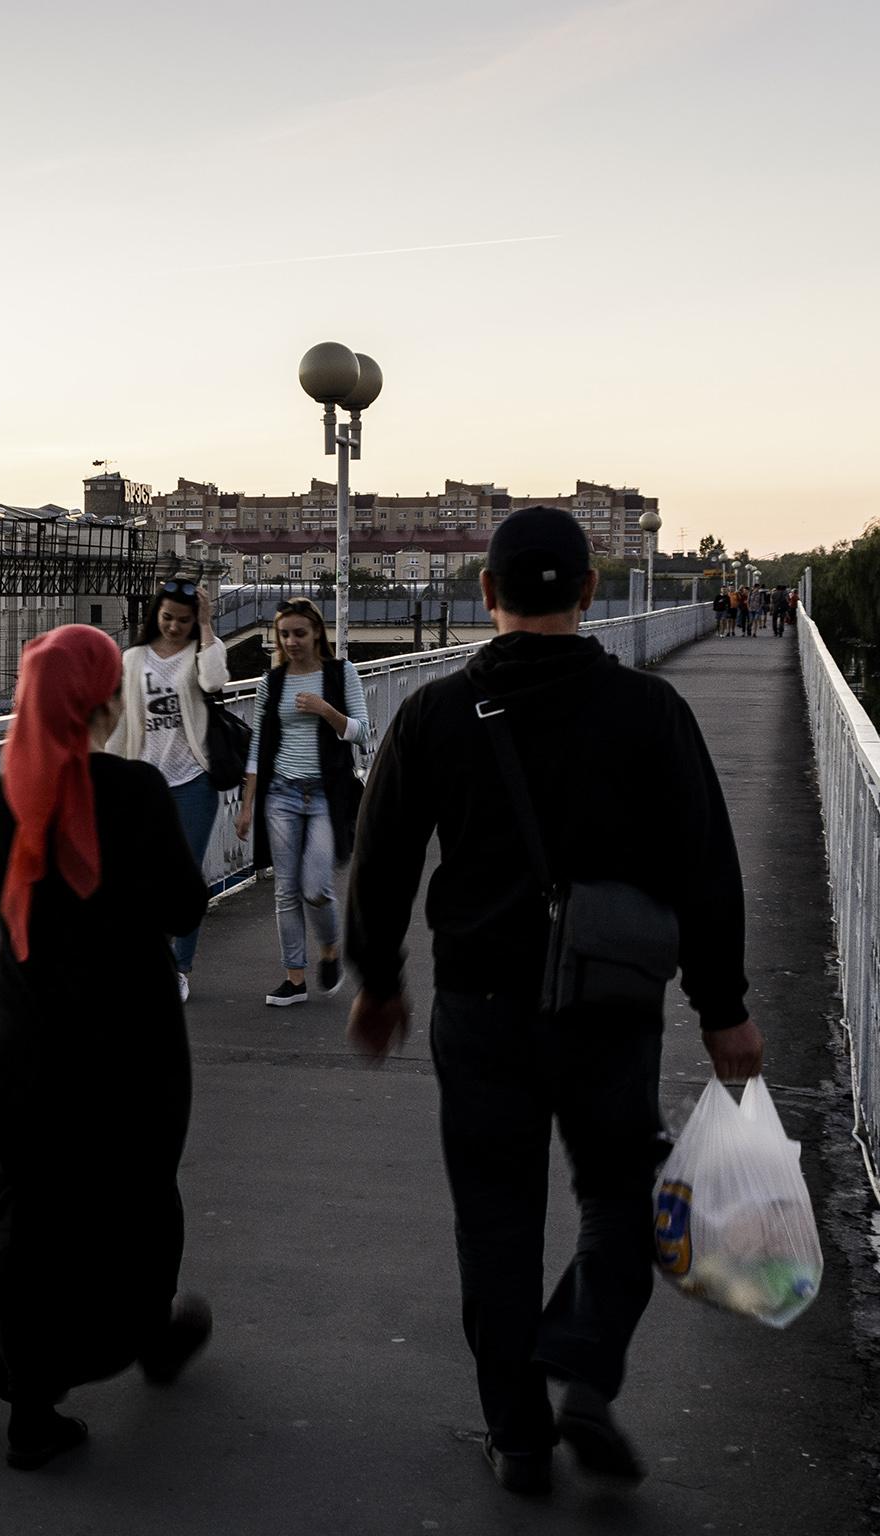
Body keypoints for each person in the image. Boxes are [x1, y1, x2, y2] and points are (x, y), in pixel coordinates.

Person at [344, 506, 763, 1497]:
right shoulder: (648, 714)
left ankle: (516, 1438)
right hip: (607, 1007)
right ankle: (577, 1354)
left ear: (484, 595)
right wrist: (722, 1007)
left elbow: (382, 861)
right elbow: (706, 869)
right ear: (584, 595)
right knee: (625, 1186)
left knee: (492, 1220)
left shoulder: (435, 715)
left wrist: (375, 980)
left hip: (477, 1007)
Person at [0, 624, 212, 1472]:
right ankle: (148, 1335)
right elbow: (184, 909)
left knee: (32, 1209)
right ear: (106, 699)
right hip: (133, 1036)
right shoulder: (137, 790)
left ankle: (33, 1410)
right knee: (140, 1192)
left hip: (29, 1037)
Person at [231, 598, 369, 1006]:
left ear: (316, 634)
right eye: (285, 634)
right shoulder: (270, 684)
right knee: (286, 890)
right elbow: (258, 745)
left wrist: (326, 710)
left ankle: (330, 949)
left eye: (299, 633)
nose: (291, 641)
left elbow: (362, 731)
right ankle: (294, 979)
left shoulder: (341, 674)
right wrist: (246, 804)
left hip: (326, 794)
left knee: (315, 888)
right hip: (281, 795)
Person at [105, 576, 230, 1001]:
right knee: (143, 878)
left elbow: (214, 683)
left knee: (185, 879)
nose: (174, 626)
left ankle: (180, 968)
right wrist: (111, 770)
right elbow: (123, 720)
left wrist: (208, 625)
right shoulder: (133, 657)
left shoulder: (202, 650)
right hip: (145, 784)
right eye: (167, 618)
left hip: (193, 781)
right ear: (155, 615)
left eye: (183, 620)